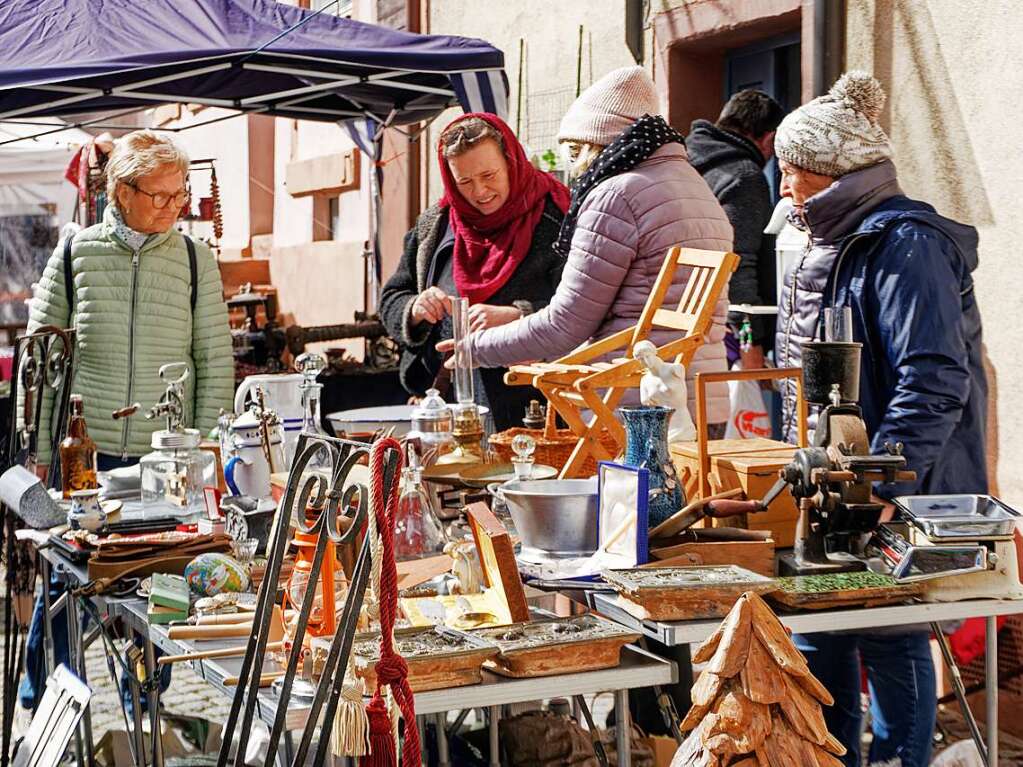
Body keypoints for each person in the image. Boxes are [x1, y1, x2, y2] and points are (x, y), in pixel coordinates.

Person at [774, 72, 987, 767]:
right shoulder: (835, 240)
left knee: (889, 630)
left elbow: (933, 375)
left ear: (828, 172)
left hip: (893, 481)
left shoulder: (903, 244)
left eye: (790, 171)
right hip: (842, 480)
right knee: (822, 625)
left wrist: (882, 479)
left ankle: (900, 759)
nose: (781, 186)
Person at [18, 130, 233, 715]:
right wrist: (38, 445)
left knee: (156, 585)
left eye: (178, 194)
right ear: (121, 190)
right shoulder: (74, 254)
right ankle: (46, 706)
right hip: (83, 455)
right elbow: (41, 359)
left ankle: (146, 701)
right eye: (159, 195)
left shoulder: (195, 258)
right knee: (66, 579)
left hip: (166, 458)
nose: (172, 206)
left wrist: (207, 448)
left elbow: (213, 356)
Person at [444, 66, 734, 435]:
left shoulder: (617, 194)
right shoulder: (696, 187)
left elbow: (565, 324)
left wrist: (476, 348)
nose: (576, 165)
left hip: (637, 407)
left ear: (594, 143)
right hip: (702, 401)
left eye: (575, 151)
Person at [378, 113, 570, 430]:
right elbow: (392, 298)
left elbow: (587, 309)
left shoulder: (557, 220)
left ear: (511, 161)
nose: (479, 191)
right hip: (445, 409)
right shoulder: (435, 225)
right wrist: (415, 308)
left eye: (489, 175)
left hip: (528, 413)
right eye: (464, 182)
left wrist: (518, 315)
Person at [686, 89, 785, 369]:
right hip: (722, 338)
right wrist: (750, 344)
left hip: (678, 325)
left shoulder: (684, 161)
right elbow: (738, 267)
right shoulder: (744, 177)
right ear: (769, 138)